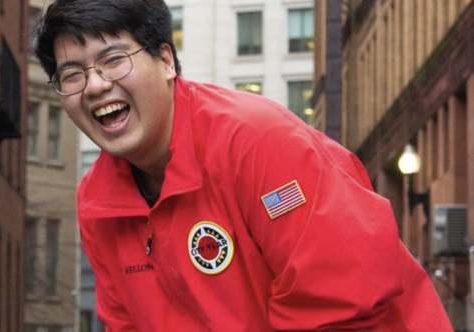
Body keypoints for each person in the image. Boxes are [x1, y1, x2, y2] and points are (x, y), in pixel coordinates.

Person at [35, 0, 452, 330]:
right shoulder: (97, 202)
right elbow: (127, 325)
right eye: (72, 74)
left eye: (113, 60)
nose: (95, 85)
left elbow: (340, 304)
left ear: (165, 60)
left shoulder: (257, 141)